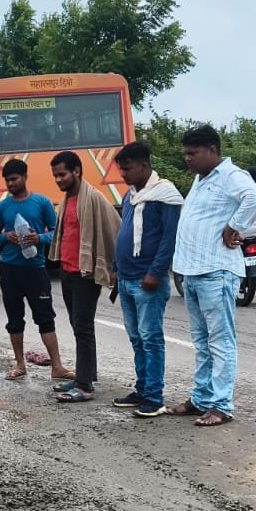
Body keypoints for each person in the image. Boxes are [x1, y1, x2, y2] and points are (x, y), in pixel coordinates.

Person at [170, 125, 256, 426]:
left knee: (220, 341)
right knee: (201, 340)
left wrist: (234, 225)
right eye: (186, 153)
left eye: (193, 153)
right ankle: (201, 397)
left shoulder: (231, 175)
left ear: (212, 150)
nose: (188, 159)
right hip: (194, 271)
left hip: (216, 271)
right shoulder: (202, 178)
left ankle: (222, 405)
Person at [110, 141, 184, 417]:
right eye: (122, 170)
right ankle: (142, 389)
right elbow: (123, 233)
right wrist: (115, 267)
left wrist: (155, 272)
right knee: (136, 338)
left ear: (144, 166)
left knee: (151, 338)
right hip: (127, 278)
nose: (124, 175)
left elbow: (168, 239)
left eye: (127, 169)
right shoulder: (131, 196)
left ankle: (154, 396)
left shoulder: (165, 195)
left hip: (147, 280)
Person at [47, 151, 120, 403]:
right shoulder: (67, 200)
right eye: (55, 176)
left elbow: (115, 229)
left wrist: (113, 268)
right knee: (78, 327)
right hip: (67, 272)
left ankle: (85, 385)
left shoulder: (94, 199)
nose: (58, 180)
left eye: (62, 174)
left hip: (86, 273)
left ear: (77, 171)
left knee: (84, 328)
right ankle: (82, 376)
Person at [0, 158, 67, 383]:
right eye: (7, 181)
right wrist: (6, 236)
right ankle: (20, 364)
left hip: (36, 269)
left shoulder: (42, 203)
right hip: (10, 270)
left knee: (45, 318)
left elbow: (56, 233)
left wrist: (38, 238)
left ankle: (57, 367)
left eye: (14, 179)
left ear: (25, 177)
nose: (10, 184)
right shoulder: (3, 207)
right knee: (14, 319)